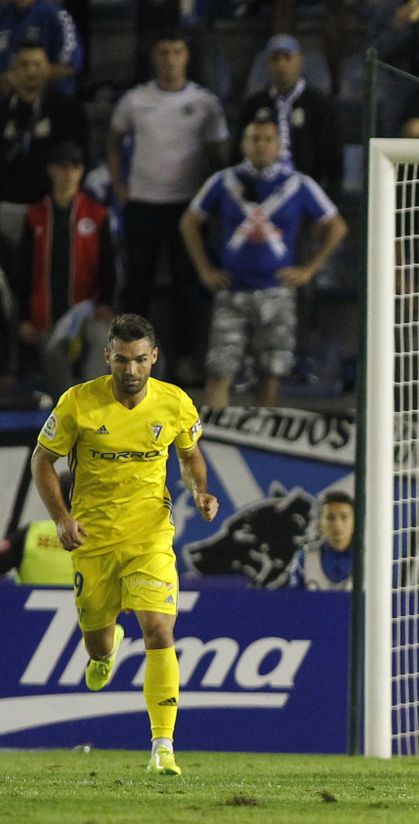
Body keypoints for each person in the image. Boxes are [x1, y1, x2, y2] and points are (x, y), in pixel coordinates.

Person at [30, 313, 219, 776]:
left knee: (159, 629)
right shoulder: (78, 403)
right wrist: (62, 518)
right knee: (96, 646)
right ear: (107, 357)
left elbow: (191, 454)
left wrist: (199, 490)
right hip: (92, 538)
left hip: (150, 535)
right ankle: (107, 646)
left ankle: (163, 746)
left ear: (154, 357)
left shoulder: (175, 404)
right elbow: (42, 461)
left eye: (139, 360)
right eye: (121, 360)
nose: (131, 370)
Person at [180, 117, 348, 409]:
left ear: (279, 146)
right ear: (244, 144)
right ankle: (212, 438)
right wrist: (205, 269)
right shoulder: (223, 182)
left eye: (267, 139)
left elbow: (337, 226)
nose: (260, 145)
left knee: (273, 372)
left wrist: (310, 269)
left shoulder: (297, 184)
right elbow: (189, 223)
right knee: (220, 370)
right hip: (232, 290)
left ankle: (262, 438)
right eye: (254, 139)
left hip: (277, 290)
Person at [108, 31, 231, 381]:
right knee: (137, 286)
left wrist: (213, 197)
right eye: (163, 51)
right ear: (154, 56)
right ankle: (126, 358)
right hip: (143, 203)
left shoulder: (205, 102)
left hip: (187, 208)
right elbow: (113, 141)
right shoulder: (135, 100)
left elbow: (219, 153)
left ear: (187, 56)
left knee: (185, 287)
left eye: (176, 51)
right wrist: (120, 185)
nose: (170, 58)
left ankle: (183, 360)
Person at [14, 140, 115, 398]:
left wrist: (106, 302)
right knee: (52, 353)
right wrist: (24, 317)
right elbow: (23, 271)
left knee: (106, 341)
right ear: (51, 170)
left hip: (87, 309)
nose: (67, 174)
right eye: (61, 167)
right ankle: (67, 411)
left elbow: (108, 264)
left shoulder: (96, 214)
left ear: (82, 171)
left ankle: (95, 405)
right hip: (46, 313)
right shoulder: (35, 216)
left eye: (74, 167)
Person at [0, 42, 86, 255]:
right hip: (6, 205)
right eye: (24, 64)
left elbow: (81, 158)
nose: (31, 71)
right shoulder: (2, 110)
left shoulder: (69, 109)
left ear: (48, 68)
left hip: (49, 208)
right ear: (13, 70)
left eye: (37, 64)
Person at [237, 35, 343, 195]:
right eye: (275, 59)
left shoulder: (319, 104)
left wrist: (329, 196)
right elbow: (238, 152)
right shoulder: (253, 105)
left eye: (287, 58)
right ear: (267, 63)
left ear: (299, 60)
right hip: (261, 194)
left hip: (307, 194)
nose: (281, 65)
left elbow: (333, 156)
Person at [0, 0, 83, 94]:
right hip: (7, 101)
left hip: (51, 100)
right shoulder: (3, 15)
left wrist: (25, 78)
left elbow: (70, 63)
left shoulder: (58, 15)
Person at [288, 489, 355, 590]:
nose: (337, 525)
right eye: (330, 518)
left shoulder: (370, 559)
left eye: (344, 517)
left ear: (355, 522)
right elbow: (294, 601)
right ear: (319, 523)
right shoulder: (306, 558)